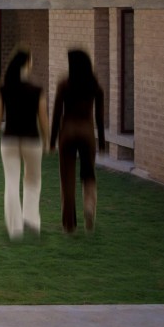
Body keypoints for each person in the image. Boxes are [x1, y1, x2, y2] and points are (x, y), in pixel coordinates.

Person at [0, 50, 49, 241]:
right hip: (32, 140)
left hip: (9, 141)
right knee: (33, 182)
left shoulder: (3, 88)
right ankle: (32, 220)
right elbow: (43, 119)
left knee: (11, 183)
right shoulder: (36, 90)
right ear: (26, 65)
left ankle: (15, 228)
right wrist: (47, 140)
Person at [50, 49, 106, 233]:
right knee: (88, 173)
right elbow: (99, 117)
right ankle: (89, 207)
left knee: (67, 178)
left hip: (67, 132)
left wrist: (52, 140)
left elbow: (57, 113)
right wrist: (102, 141)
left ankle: (69, 224)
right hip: (86, 132)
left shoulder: (64, 84)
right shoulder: (95, 86)